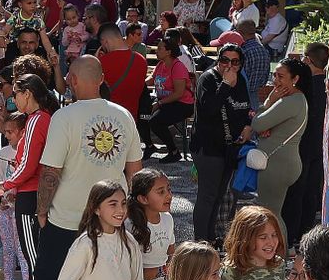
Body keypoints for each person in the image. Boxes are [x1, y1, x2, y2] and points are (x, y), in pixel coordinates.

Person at [11, 57, 142, 280]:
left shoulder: (64, 117)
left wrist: (41, 210)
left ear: (74, 79)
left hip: (65, 219)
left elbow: (51, 172)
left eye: (69, 75)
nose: (66, 79)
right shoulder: (123, 115)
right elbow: (134, 170)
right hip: (106, 223)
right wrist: (131, 215)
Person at [0, 74, 58, 280]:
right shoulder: (41, 119)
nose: (14, 98)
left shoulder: (35, 121)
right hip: (33, 191)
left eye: (16, 94)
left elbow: (29, 163)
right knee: (35, 254)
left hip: (30, 193)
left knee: (33, 257)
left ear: (28, 94)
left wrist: (6, 184)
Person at [191, 44, 253, 245]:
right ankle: (200, 241)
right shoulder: (208, 79)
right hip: (208, 147)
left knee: (219, 195)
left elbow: (246, 108)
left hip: (230, 147)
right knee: (207, 196)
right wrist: (225, 85)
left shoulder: (241, 80)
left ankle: (210, 237)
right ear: (218, 60)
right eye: (224, 60)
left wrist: (247, 126)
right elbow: (209, 109)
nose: (229, 66)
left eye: (234, 62)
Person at [249, 59, 311, 222]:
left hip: (278, 164)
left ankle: (280, 247)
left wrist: (269, 101)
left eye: (281, 76)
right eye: (274, 75)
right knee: (272, 214)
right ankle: (281, 247)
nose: (275, 80)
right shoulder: (297, 99)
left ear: (295, 79)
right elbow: (265, 126)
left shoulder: (290, 101)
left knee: (270, 215)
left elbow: (257, 123)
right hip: (281, 162)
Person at [284, 44, 328, 247]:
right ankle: (304, 236)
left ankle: (292, 235)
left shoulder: (308, 87)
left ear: (308, 60)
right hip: (320, 146)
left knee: (296, 193)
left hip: (302, 145)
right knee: (310, 193)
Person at [0, 113, 31, 280]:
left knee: (23, 250)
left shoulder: (29, 155)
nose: (7, 135)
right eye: (5, 131)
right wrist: (0, 197)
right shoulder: (3, 153)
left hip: (22, 209)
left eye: (10, 132)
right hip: (4, 209)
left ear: (23, 132)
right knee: (7, 250)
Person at [147, 33, 194, 161]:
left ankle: (173, 152)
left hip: (182, 104)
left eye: (160, 48)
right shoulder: (161, 65)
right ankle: (148, 146)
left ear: (168, 52)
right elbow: (151, 79)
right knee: (142, 112)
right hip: (166, 102)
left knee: (155, 122)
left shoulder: (177, 67)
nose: (157, 51)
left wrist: (159, 104)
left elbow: (178, 93)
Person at [98, 25, 148, 119]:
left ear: (105, 41)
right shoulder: (141, 60)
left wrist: (95, 58)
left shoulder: (101, 62)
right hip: (131, 118)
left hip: (108, 118)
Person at [237, 19, 272, 102]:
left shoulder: (243, 51)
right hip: (258, 96)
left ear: (240, 32)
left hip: (242, 96)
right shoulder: (265, 51)